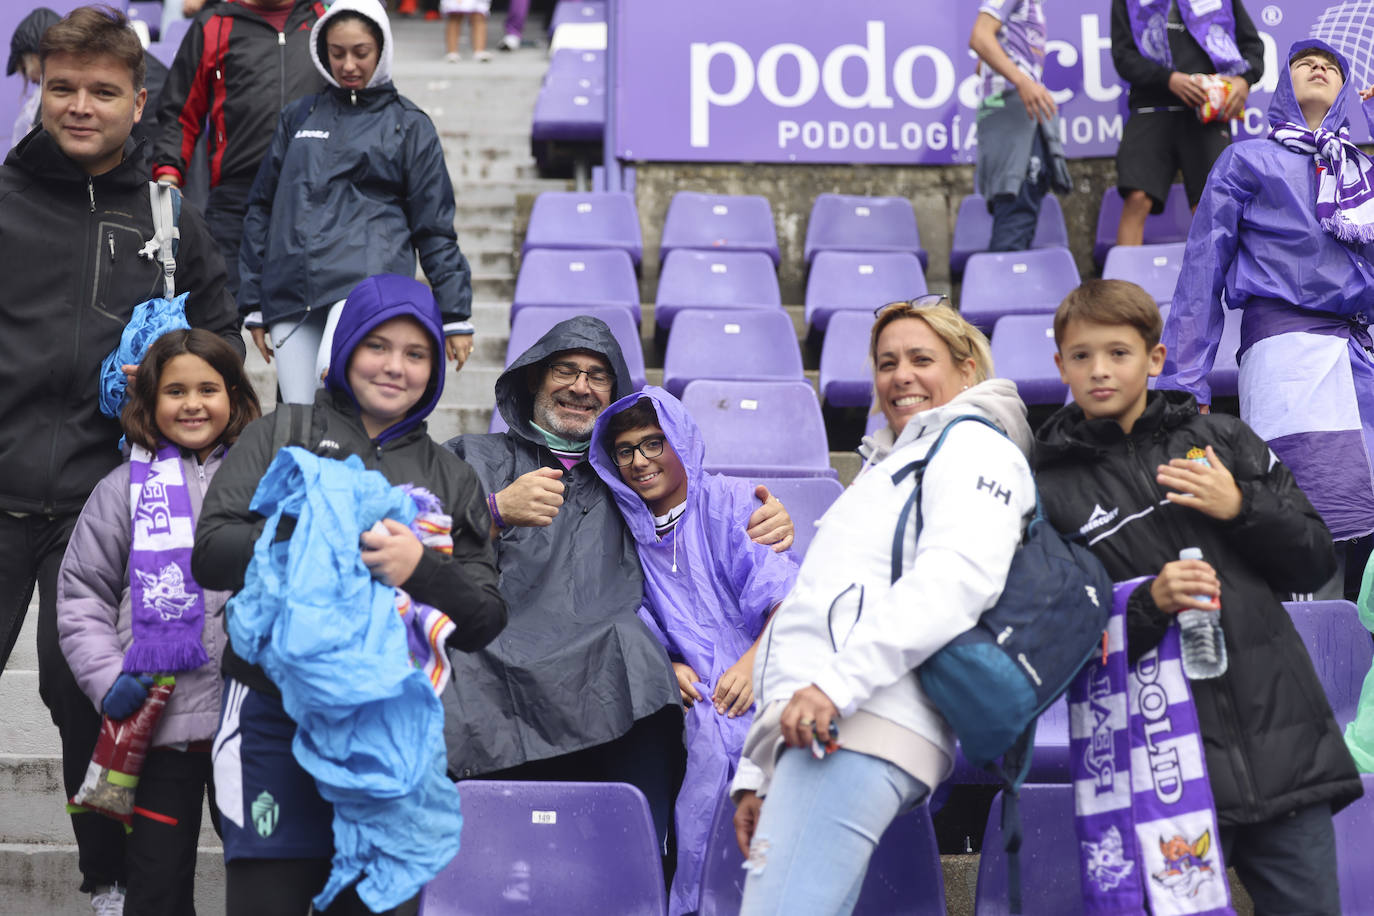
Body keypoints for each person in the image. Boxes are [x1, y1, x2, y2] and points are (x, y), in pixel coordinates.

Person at [0, 7, 242, 911]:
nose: (79, 105)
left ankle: (103, 879)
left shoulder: (171, 220)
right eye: (61, 87)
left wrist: (175, 372)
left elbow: (221, 354)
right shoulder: (4, 199)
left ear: (140, 103)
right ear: (37, 88)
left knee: (88, 696)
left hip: (109, 500)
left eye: (103, 91)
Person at [1034, 278, 1362, 914]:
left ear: (1155, 360)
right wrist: (1150, 599)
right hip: (1160, 777)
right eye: (1081, 355)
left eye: (1118, 352)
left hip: (1283, 754)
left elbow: (1315, 555)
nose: (1099, 369)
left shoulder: (1223, 441)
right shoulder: (1047, 492)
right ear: (1060, 366)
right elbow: (1053, 623)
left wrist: (1240, 507)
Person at [192, 273, 507, 915]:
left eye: (416, 353)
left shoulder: (451, 476)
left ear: (435, 368)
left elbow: (482, 618)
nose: (395, 366)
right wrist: (325, 531)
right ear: (344, 351)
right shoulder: (283, 432)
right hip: (269, 720)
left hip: (386, 741)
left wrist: (420, 567)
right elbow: (212, 553)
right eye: (377, 346)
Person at [442, 315, 794, 865]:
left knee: (650, 680)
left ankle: (639, 874)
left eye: (597, 377)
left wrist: (766, 518)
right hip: (498, 665)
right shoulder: (474, 457)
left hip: (613, 678)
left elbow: (695, 551)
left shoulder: (630, 485)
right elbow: (404, 539)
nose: (580, 387)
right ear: (535, 380)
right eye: (565, 370)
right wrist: (492, 510)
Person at [731, 301, 1035, 915]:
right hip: (827, 726)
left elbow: (954, 582)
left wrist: (836, 688)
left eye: (922, 359)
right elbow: (813, 618)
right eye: (887, 362)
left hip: (860, 722)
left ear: (968, 369)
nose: (901, 376)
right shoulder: (888, 465)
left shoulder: (975, 447)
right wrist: (759, 771)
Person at [1158, 40, 1374, 600]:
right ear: (1282, 87)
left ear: (1348, 93)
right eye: (1304, 61)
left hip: (1365, 358)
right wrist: (1183, 381)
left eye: (1333, 66)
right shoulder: (1246, 160)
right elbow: (1202, 268)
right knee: (1305, 521)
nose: (1320, 65)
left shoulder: (1364, 173)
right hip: (1287, 355)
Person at [57, 329, 262, 916]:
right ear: (148, 403)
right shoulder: (120, 491)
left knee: (265, 880)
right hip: (157, 725)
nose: (192, 403)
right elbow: (81, 598)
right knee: (156, 886)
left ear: (236, 397)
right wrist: (106, 679)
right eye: (175, 390)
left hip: (249, 722)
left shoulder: (265, 485)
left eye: (207, 388)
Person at [588, 387, 799, 916]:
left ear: (680, 441)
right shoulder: (620, 533)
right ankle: (699, 903)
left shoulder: (728, 502)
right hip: (701, 691)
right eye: (626, 451)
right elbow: (628, 615)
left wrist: (755, 663)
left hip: (772, 665)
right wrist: (666, 665)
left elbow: (784, 596)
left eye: (654, 443)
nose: (640, 462)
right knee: (710, 733)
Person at [238, 0, 474, 406]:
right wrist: (253, 302)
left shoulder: (409, 124)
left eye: (361, 52)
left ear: (382, 50)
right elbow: (262, 207)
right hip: (290, 290)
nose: (348, 64)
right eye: (337, 53)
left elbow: (433, 226)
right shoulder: (298, 116)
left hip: (364, 285)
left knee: (339, 397)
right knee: (299, 416)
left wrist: (455, 315)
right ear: (321, 51)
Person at [152, 0, 326, 296]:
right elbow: (180, 113)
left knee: (305, 317)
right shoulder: (213, 24)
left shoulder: (325, 20)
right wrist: (168, 175)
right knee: (221, 317)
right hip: (235, 198)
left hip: (314, 194)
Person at [1110, 0, 1263, 246]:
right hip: (1151, 107)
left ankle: (1216, 282)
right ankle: (1123, 285)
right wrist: (1168, 79)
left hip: (1207, 112)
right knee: (1137, 198)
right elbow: (1123, 56)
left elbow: (1252, 46)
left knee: (1210, 206)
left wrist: (1244, 80)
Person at [968, 0, 1071, 252]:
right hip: (1014, 116)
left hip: (1012, 114)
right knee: (1016, 216)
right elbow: (980, 37)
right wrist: (1023, 82)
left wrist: (1014, 74)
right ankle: (1000, 288)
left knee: (1018, 215)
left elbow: (981, 64)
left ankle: (1003, 285)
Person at [8, 7, 59, 150]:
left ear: (35, 57)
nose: (28, 78)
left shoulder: (46, 97)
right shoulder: (39, 97)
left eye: (23, 68)